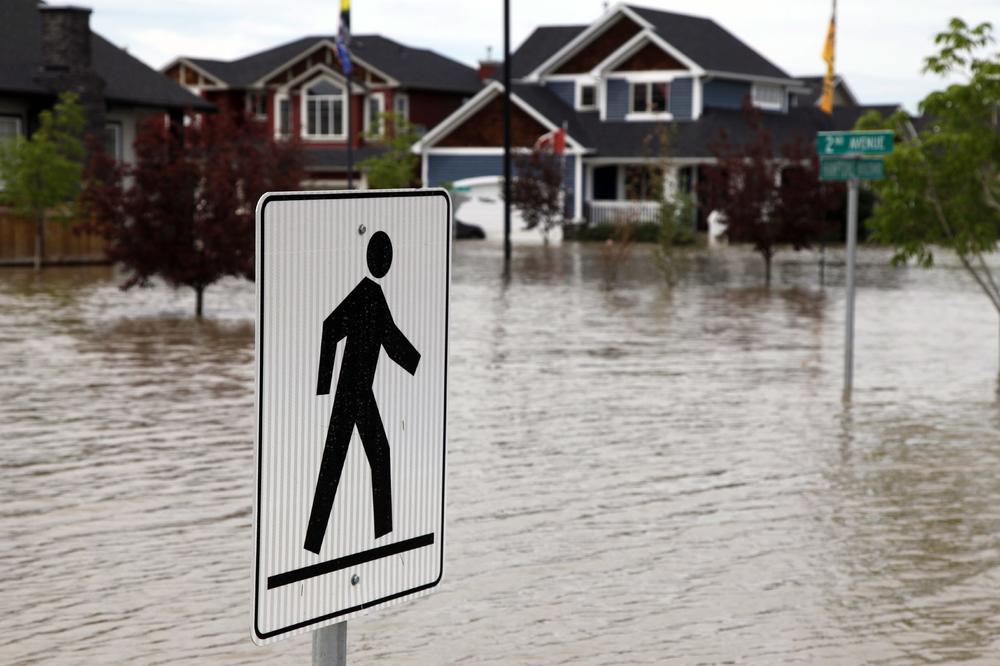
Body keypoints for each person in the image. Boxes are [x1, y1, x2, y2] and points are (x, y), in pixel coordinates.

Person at [304, 231, 420, 555]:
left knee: (376, 455)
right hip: (348, 391)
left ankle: (382, 536)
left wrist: (420, 363)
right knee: (334, 465)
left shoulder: (375, 296)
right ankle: (313, 545)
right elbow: (330, 327)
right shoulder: (365, 294)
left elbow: (392, 342)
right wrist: (322, 388)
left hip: (360, 391)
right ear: (378, 260)